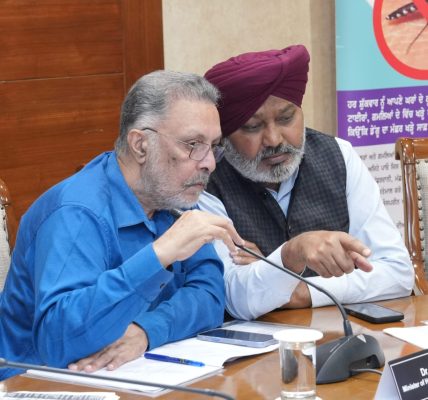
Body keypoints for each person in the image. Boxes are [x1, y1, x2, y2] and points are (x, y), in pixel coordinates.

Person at [0, 70, 243, 380]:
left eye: (213, 146)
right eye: (193, 144)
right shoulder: (76, 212)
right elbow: (60, 342)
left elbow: (210, 296)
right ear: (140, 145)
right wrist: (159, 255)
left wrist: (146, 331)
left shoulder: (173, 195)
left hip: (141, 373)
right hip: (41, 382)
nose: (209, 163)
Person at [199, 45, 414, 320]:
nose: (274, 139)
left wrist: (298, 289)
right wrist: (291, 254)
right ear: (225, 133)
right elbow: (235, 297)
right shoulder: (206, 177)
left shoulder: (338, 155)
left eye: (286, 118)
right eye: (253, 126)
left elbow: (398, 273)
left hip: (337, 333)